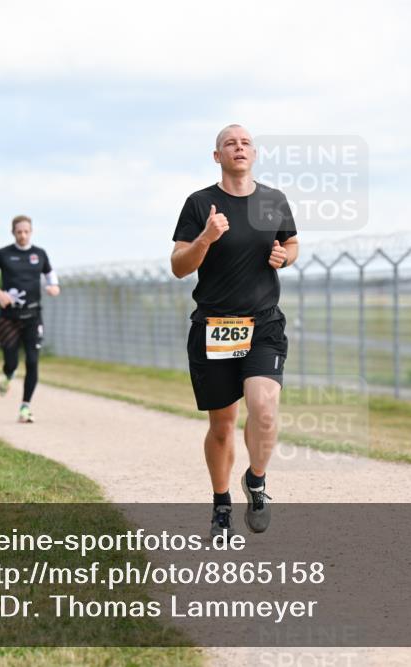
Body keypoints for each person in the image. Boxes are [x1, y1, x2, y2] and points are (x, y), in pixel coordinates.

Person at [170, 124, 299, 539]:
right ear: (217, 156)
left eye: (245, 143)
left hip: (264, 325)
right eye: (230, 143)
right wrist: (205, 238)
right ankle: (221, 505)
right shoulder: (199, 203)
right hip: (215, 327)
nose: (238, 147)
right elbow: (179, 266)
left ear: (254, 154)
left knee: (264, 408)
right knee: (223, 425)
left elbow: (292, 244)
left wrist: (285, 257)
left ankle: (256, 481)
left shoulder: (273, 201)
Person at [0, 215, 60, 423]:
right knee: (11, 362)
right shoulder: (3, 254)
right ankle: (8, 375)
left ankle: (25, 407)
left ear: (31, 232)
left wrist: (54, 286)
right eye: (19, 232)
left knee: (32, 361)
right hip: (9, 318)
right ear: (13, 232)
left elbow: (50, 274)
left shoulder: (39, 254)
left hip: (33, 316)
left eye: (26, 232)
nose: (23, 235)